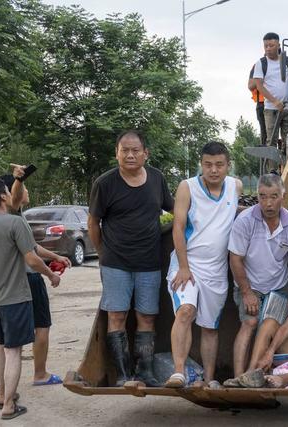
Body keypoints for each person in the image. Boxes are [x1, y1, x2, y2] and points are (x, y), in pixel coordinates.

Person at [88, 130, 175, 387]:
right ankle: (124, 374)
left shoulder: (157, 179)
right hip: (116, 262)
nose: (129, 154)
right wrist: (103, 254)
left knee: (146, 316)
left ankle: (145, 372)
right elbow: (94, 223)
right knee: (116, 316)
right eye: (124, 150)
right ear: (116, 153)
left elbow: (174, 209)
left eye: (135, 150)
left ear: (145, 154)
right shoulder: (104, 184)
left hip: (150, 261)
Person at [0, 178, 62, 419]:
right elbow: (33, 258)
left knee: (1, 345)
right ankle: (8, 407)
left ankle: (3, 396)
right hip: (15, 297)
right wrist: (51, 275)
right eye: (8, 190)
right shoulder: (15, 223)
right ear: (4, 197)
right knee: (14, 351)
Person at [165, 142, 242, 389]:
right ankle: (179, 373)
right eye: (208, 164)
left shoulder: (235, 186)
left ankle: (209, 380)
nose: (213, 170)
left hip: (217, 270)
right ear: (201, 164)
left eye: (219, 165)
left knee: (210, 327)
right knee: (185, 311)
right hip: (188, 264)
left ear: (228, 165)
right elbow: (177, 227)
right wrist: (184, 267)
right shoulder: (187, 187)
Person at [223, 174, 288, 387]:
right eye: (262, 197)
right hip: (249, 284)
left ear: (283, 196)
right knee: (249, 322)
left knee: (270, 329)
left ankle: (253, 376)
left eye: (274, 196)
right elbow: (235, 259)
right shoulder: (245, 220)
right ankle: (237, 377)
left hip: (279, 287)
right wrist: (247, 292)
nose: (268, 203)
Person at [252, 32, 288, 148]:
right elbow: (259, 86)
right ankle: (272, 166)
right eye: (265, 46)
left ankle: (287, 164)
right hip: (271, 109)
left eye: (271, 45)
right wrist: (274, 101)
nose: (268, 49)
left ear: (278, 46)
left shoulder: (286, 61)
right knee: (271, 141)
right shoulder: (261, 63)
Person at [248, 64, 267, 145]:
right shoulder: (259, 66)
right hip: (263, 103)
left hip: (282, 102)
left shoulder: (284, 64)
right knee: (265, 133)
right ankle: (265, 156)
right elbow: (250, 85)